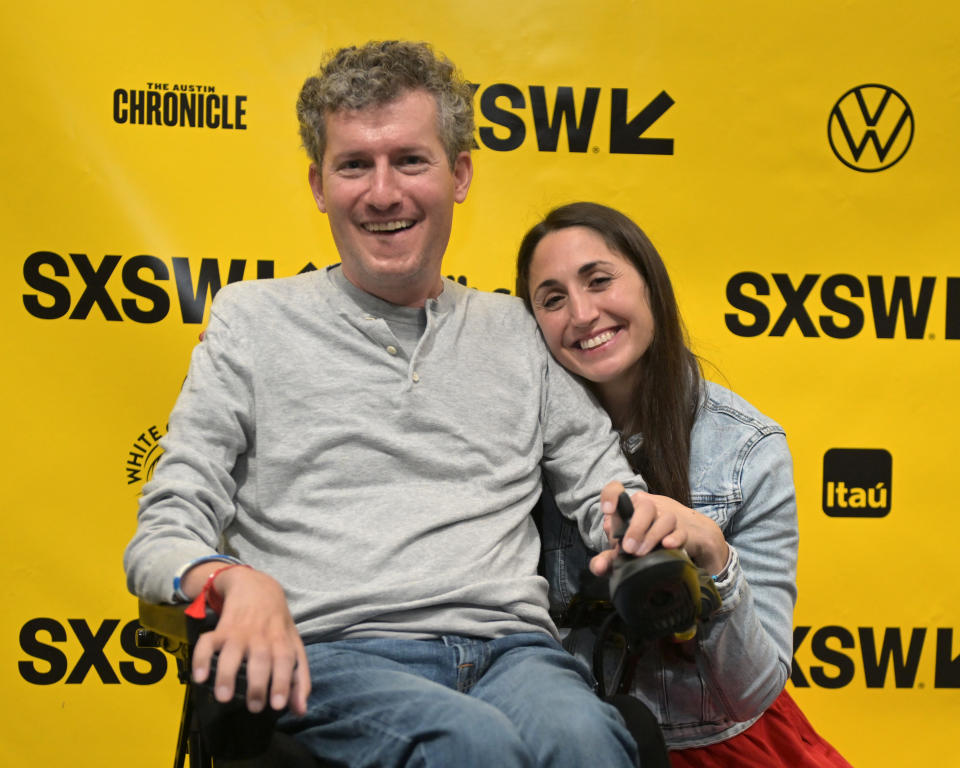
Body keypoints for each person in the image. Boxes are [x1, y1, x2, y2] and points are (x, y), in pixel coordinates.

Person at [124, 42, 665, 767]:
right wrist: (226, 578)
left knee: (587, 742)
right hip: (333, 653)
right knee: (472, 747)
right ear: (319, 184)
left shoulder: (513, 330)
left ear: (460, 174)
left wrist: (641, 522)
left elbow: (606, 494)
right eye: (355, 165)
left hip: (514, 654)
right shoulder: (252, 321)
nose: (383, 193)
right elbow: (166, 524)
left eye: (410, 160)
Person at [515, 202, 852, 767]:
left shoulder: (749, 449)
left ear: (651, 284)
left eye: (600, 281)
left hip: (720, 743)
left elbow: (755, 689)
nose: (581, 312)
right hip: (568, 740)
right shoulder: (513, 444)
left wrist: (715, 559)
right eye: (552, 299)